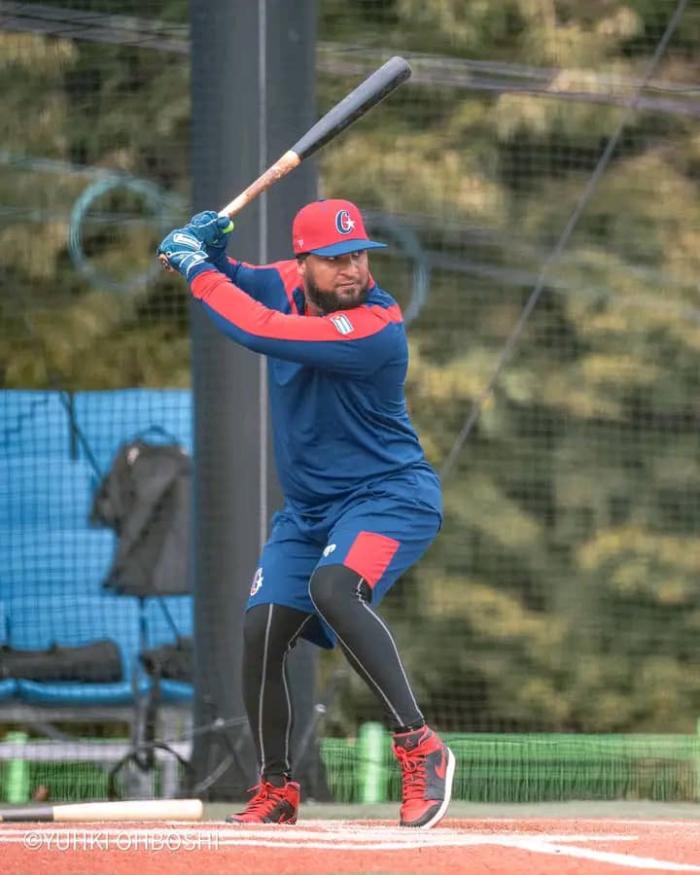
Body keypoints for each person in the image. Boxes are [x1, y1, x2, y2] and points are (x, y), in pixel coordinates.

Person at [158, 199, 454, 829]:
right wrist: (208, 251)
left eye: (357, 256)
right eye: (334, 259)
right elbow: (242, 281)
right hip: (310, 513)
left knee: (333, 589)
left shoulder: (376, 327)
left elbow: (257, 328)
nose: (351, 270)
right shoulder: (286, 284)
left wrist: (196, 271)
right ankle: (277, 788)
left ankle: (420, 747)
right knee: (261, 629)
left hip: (391, 498)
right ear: (304, 263)